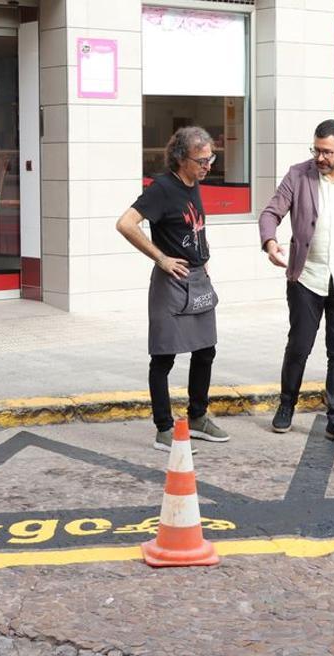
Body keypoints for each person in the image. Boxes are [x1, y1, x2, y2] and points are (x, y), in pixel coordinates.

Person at [257, 119, 334, 445]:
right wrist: (270, 243)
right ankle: (286, 406)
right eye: (316, 150)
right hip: (307, 279)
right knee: (299, 346)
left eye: (327, 152)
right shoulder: (299, 174)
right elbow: (270, 212)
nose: (320, 158)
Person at [116, 126, 230, 452]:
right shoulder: (162, 188)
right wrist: (162, 258)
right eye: (202, 160)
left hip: (197, 278)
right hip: (170, 284)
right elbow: (125, 223)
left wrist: (203, 257)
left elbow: (192, 227)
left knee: (205, 350)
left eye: (212, 158)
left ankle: (198, 417)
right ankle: (164, 429)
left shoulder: (194, 184)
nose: (209, 165)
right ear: (181, 158)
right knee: (163, 358)